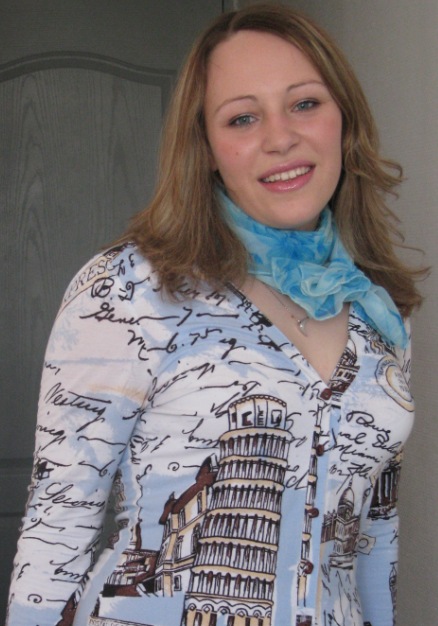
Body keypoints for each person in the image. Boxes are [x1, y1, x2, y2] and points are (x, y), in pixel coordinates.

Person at [6, 4, 426, 626]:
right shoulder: (129, 288)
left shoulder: (380, 311)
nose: (280, 138)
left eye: (305, 103)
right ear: (205, 147)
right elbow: (58, 521)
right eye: (243, 117)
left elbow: (373, 532)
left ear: (344, 120)